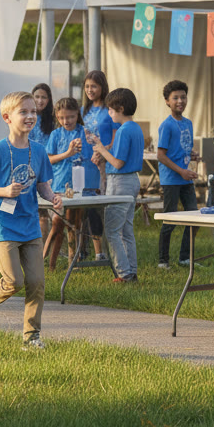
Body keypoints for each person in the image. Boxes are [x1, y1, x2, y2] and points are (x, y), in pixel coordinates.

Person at [0, 91, 63, 349]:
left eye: (33, 111)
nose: (30, 116)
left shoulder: (40, 151)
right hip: (3, 226)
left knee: (36, 283)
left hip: (30, 225)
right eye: (23, 112)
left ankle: (31, 337)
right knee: (14, 281)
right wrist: (3, 191)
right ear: (7, 117)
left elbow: (43, 186)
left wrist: (53, 197)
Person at [87, 88, 143, 283]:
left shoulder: (123, 130)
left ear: (120, 108)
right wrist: (104, 148)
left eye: (111, 110)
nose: (109, 114)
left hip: (120, 181)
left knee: (112, 230)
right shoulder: (135, 128)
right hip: (133, 180)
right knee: (126, 229)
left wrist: (102, 149)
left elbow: (118, 163)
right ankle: (131, 270)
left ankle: (123, 273)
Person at [43, 97, 92, 270]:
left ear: (77, 114)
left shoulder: (84, 132)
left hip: (78, 186)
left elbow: (91, 155)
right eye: (62, 118)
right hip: (59, 186)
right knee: (57, 222)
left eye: (70, 117)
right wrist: (67, 153)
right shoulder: (56, 134)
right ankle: (47, 261)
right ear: (57, 116)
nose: (66, 121)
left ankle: (74, 261)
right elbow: (48, 159)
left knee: (74, 224)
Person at [156, 79, 196, 268]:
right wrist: (181, 171)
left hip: (186, 179)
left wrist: (192, 154)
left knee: (195, 218)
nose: (180, 101)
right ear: (167, 101)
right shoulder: (167, 125)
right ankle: (163, 260)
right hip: (172, 179)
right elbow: (161, 155)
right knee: (170, 219)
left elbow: (181, 148)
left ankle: (185, 258)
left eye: (183, 97)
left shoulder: (188, 123)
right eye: (175, 98)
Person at [80, 71, 114, 260]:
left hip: (103, 164)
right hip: (85, 165)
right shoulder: (83, 111)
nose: (90, 90)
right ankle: (81, 250)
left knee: (99, 208)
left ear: (102, 87)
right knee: (83, 208)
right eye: (87, 86)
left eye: (93, 86)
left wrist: (103, 152)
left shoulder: (109, 110)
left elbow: (115, 137)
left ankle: (102, 251)